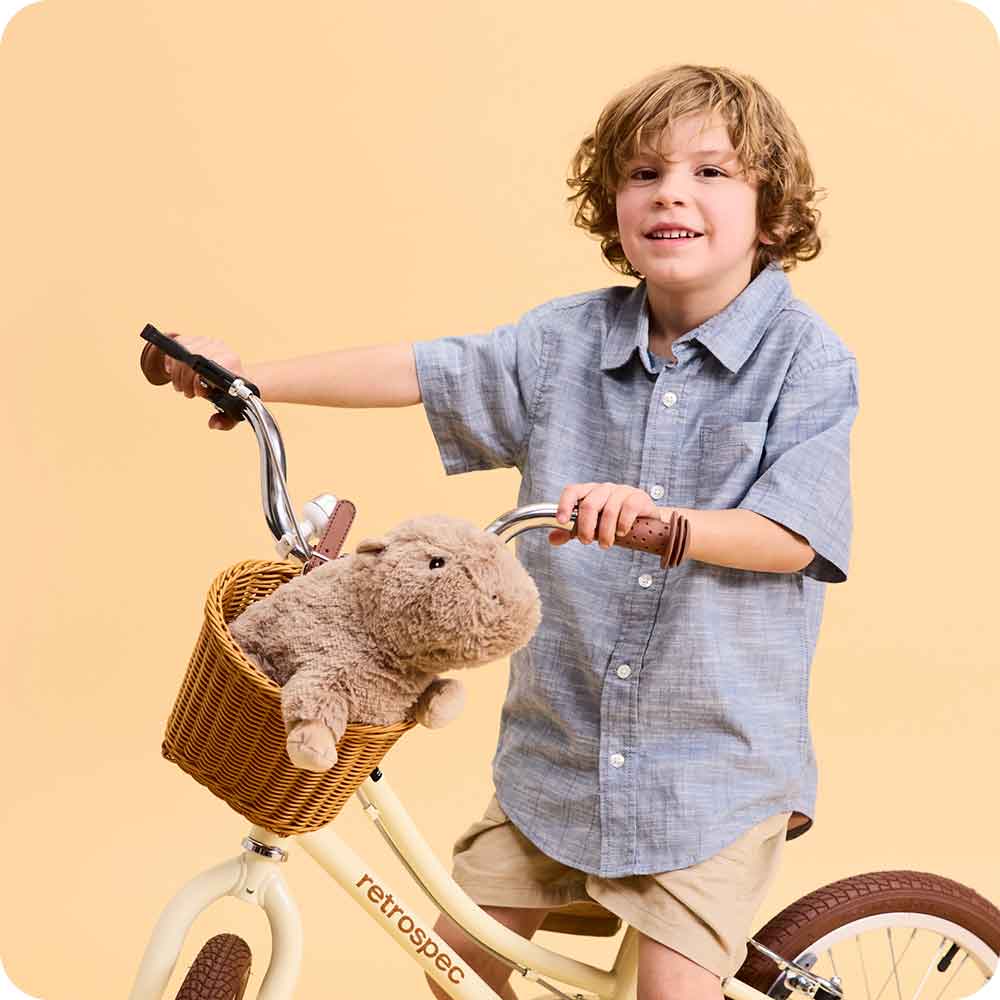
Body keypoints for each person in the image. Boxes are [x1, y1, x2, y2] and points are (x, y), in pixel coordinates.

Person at [161, 63, 858, 1000]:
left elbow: (793, 536)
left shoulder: (807, 361)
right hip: (558, 751)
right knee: (457, 964)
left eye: (711, 173)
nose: (672, 194)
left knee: (673, 990)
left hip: (711, 770)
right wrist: (251, 379)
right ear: (612, 202)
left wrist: (664, 526)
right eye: (644, 173)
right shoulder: (565, 340)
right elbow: (425, 369)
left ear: (772, 212)